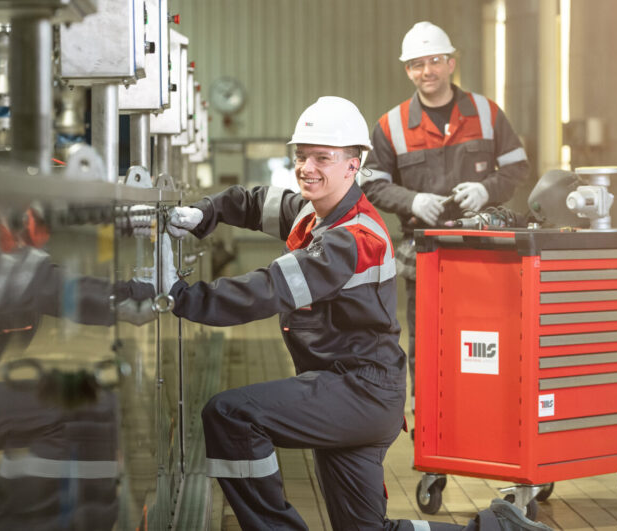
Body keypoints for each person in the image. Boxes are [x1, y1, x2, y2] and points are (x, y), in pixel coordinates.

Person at [128, 96, 548, 531]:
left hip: (358, 391)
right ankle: (500, 528)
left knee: (230, 415)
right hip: (359, 391)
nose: (307, 167)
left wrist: (180, 295)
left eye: (322, 158)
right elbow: (255, 202)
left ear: (354, 164)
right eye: (301, 155)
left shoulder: (352, 239)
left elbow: (269, 288)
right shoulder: (316, 212)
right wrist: (204, 213)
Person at [360, 21, 530, 404]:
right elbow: (370, 183)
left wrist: (487, 189)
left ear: (451, 63)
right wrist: (412, 201)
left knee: (488, 335)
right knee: (431, 338)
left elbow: (518, 167)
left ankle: (487, 409)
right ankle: (433, 426)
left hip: (486, 249)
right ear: (407, 70)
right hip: (427, 251)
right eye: (418, 64)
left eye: (435, 61)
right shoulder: (392, 125)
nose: (427, 71)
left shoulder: (486, 113)